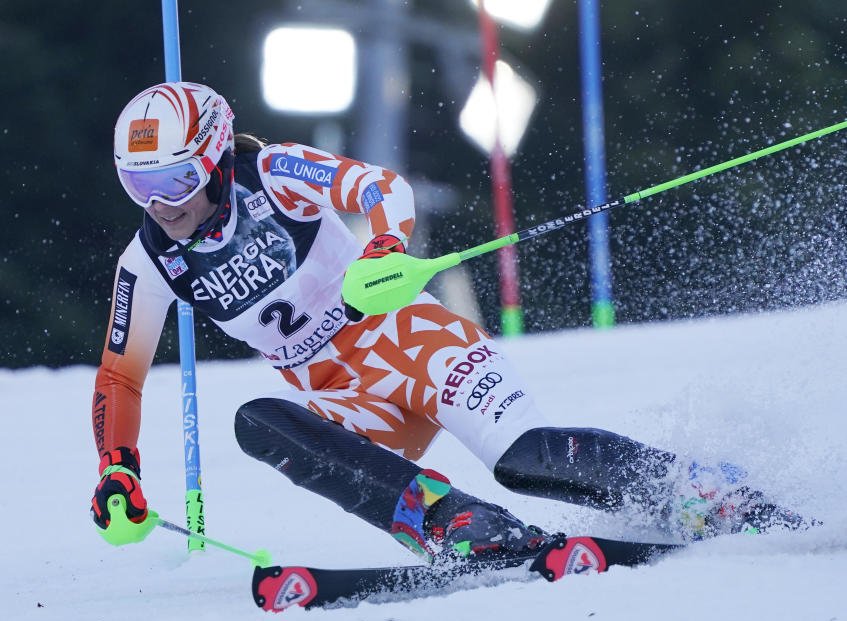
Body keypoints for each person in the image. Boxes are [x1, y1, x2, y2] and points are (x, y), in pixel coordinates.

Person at [90, 81, 808, 563]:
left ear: (215, 158)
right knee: (259, 420)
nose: (163, 203)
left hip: (405, 339)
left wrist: (382, 247)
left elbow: (379, 188)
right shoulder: (148, 260)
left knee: (525, 461)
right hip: (342, 393)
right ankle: (456, 524)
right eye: (139, 185)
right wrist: (117, 468)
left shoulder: (272, 171)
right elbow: (120, 376)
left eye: (176, 180)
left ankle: (702, 493)